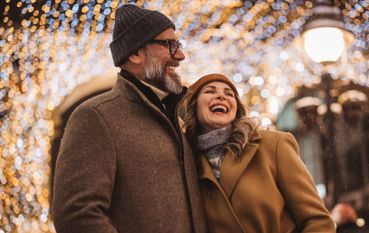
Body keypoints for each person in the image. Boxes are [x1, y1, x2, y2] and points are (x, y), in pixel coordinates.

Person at [52, 4, 206, 233]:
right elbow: (76, 215)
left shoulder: (179, 114)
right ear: (135, 53)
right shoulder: (96, 116)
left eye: (179, 45)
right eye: (169, 45)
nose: (180, 55)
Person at [182, 73, 336, 233]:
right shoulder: (187, 163)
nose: (221, 96)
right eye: (210, 91)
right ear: (193, 105)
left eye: (229, 94)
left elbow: (317, 220)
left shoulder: (273, 145)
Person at [335, 90, 369, 193]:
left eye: (357, 108)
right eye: (349, 109)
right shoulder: (341, 131)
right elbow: (342, 158)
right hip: (357, 183)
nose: (352, 113)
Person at [294, 96, 329, 199]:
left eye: (311, 113)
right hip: (305, 186)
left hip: (322, 183)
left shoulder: (323, 136)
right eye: (304, 114)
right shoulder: (296, 137)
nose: (308, 118)